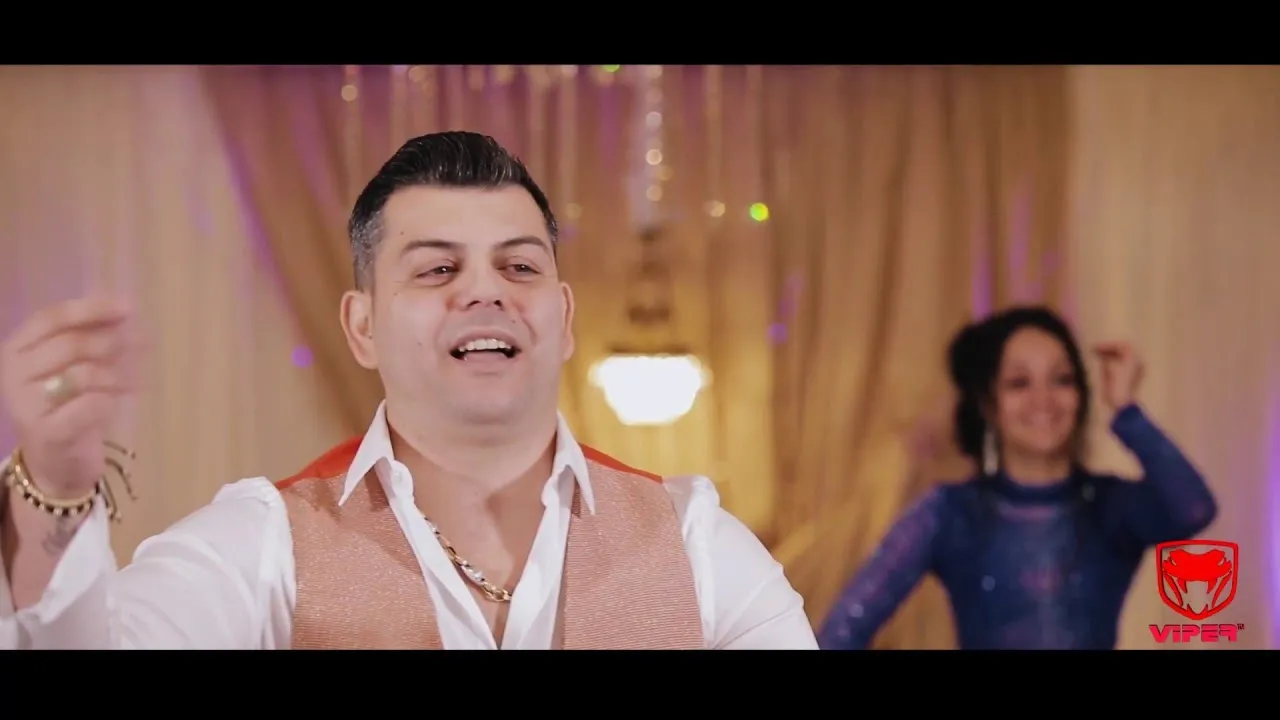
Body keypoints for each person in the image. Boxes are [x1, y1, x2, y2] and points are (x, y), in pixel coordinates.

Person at [0, 131, 817, 650]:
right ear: (362, 326)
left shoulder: (698, 545)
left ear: (564, 317)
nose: (485, 291)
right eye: (436, 269)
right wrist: (56, 488)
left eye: (519, 265)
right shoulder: (263, 544)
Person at [817, 306, 1217, 650]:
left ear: (1081, 395)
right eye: (1019, 383)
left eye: (1061, 379)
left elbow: (1193, 510)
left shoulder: (1109, 505)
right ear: (988, 404)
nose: (1043, 399)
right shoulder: (951, 512)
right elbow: (841, 631)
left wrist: (1127, 410)